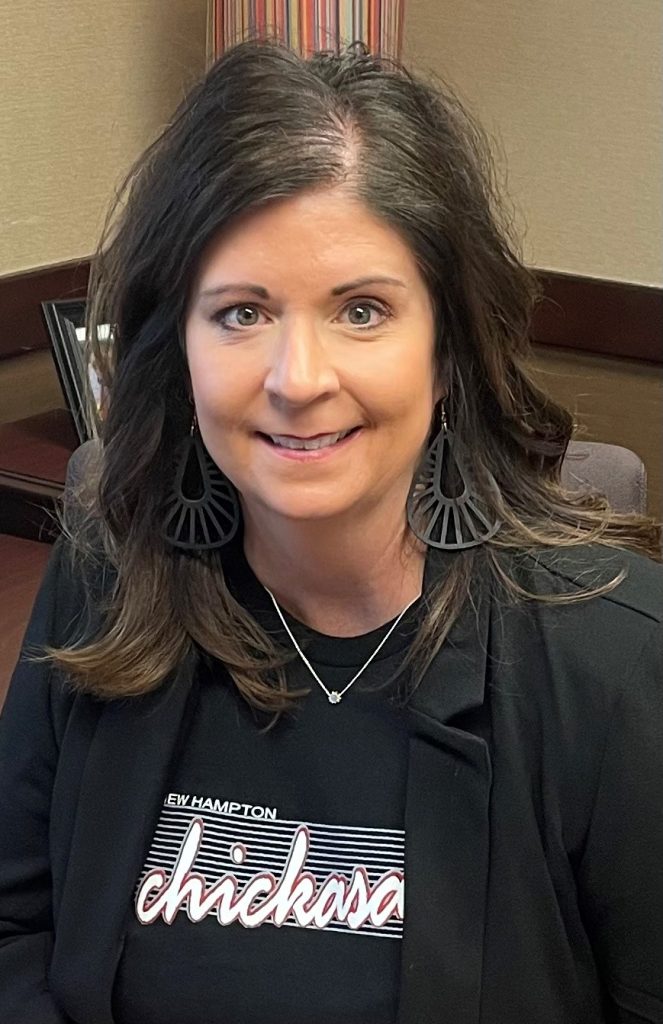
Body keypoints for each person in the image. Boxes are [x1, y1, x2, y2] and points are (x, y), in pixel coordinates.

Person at [1, 36, 662, 1024]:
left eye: (361, 310)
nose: (297, 378)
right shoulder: (109, 573)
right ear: (175, 346)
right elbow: (17, 928)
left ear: (447, 351)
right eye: (240, 313)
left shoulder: (611, 657)